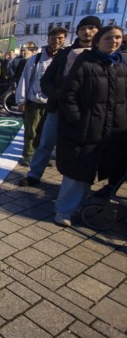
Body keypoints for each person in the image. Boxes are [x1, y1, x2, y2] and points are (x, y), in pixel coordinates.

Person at [54, 26, 127, 226]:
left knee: (91, 170)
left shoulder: (121, 65)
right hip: (85, 128)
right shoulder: (86, 63)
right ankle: (64, 211)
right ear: (98, 41)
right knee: (76, 173)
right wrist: (77, 119)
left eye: (118, 37)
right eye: (109, 37)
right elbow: (68, 95)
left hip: (111, 130)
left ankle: (80, 206)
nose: (114, 41)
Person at [20, 16, 101, 187]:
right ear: (78, 31)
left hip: (87, 112)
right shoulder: (64, 54)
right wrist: (59, 94)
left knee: (76, 149)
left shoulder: (102, 55)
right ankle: (34, 175)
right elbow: (46, 80)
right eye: (83, 28)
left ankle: (72, 182)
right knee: (45, 143)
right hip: (59, 107)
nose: (87, 32)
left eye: (92, 28)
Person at [15, 27, 67, 166]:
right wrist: (21, 100)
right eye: (53, 37)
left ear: (64, 40)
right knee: (31, 130)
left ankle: (42, 156)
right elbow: (25, 79)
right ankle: (28, 155)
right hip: (35, 101)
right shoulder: (36, 58)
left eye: (60, 38)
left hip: (54, 103)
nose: (56, 40)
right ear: (48, 38)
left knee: (47, 133)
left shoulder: (66, 58)